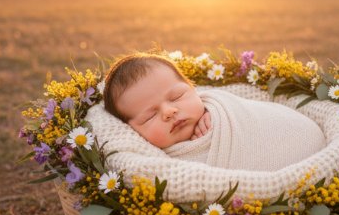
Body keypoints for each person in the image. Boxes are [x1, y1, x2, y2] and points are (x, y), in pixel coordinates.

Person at [102, 53, 326, 171]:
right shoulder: (157, 164)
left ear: (192, 88)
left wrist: (215, 116)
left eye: (177, 96)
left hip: (295, 133)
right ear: (131, 130)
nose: (169, 111)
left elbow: (243, 112)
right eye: (150, 116)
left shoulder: (216, 105)